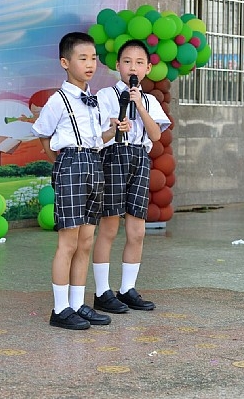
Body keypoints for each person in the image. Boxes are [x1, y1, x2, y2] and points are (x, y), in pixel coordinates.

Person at [32, 32, 128, 330]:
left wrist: (115, 130)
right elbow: (43, 134)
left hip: (94, 162)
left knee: (86, 240)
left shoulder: (95, 101)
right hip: (71, 164)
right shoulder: (57, 101)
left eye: (94, 58)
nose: (90, 64)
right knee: (68, 241)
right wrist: (62, 163)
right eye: (82, 58)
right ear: (65, 62)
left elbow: (97, 138)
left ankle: (77, 304)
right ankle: (60, 309)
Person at [92, 39, 171, 313]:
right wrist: (114, 128)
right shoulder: (105, 96)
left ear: (148, 68)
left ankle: (127, 289)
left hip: (139, 159)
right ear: (118, 65)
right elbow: (98, 135)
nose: (132, 68)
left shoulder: (148, 100)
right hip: (113, 157)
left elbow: (156, 134)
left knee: (137, 231)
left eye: (139, 63)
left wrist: (139, 105)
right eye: (127, 62)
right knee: (109, 228)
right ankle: (102, 292)